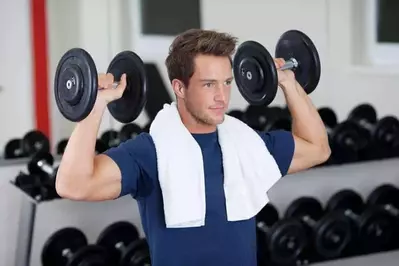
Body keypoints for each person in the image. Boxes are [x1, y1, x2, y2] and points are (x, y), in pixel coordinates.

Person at [56, 29, 330, 266]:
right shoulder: (150, 153)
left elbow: (317, 148)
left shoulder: (246, 145)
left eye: (226, 83)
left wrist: (288, 82)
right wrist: (96, 106)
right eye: (209, 84)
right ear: (180, 88)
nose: (222, 97)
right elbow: (73, 185)